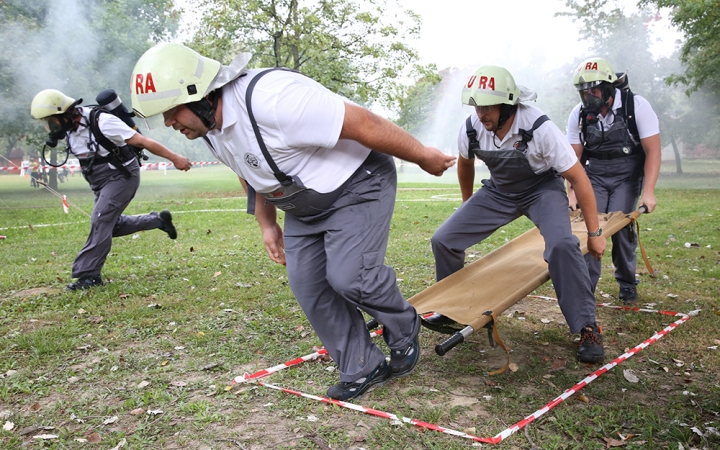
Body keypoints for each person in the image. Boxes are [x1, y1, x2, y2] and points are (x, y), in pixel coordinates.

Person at [130, 43, 456, 400]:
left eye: (171, 111)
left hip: (358, 182)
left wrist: (424, 156)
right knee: (309, 286)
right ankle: (362, 364)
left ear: (200, 96)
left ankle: (403, 325)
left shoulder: (273, 99)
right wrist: (266, 223)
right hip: (302, 203)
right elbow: (248, 169)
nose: (167, 123)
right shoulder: (209, 128)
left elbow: (364, 122)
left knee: (350, 277)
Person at [426, 65, 607, 364]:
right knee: (444, 238)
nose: (480, 113)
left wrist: (595, 234)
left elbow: (579, 179)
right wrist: (467, 204)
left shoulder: (539, 127)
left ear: (508, 104)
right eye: (476, 106)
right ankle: (450, 308)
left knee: (562, 246)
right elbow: (465, 163)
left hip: (542, 189)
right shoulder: (472, 127)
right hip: (499, 190)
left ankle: (587, 327)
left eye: (487, 107)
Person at [30, 89, 192, 291]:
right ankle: (158, 220)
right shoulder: (71, 129)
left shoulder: (102, 121)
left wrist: (175, 158)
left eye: (50, 121)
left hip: (121, 176)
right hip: (99, 180)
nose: (49, 127)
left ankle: (88, 276)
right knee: (110, 225)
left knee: (100, 220)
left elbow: (143, 141)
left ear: (64, 115)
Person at [566, 57, 661, 304]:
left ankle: (627, 283)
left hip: (627, 177)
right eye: (583, 92)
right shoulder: (577, 115)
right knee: (591, 227)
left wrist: (648, 191)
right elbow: (572, 159)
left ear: (609, 88)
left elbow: (653, 151)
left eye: (594, 90)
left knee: (620, 228)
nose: (588, 97)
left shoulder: (636, 107)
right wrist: (572, 192)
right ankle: (587, 289)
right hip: (593, 176)